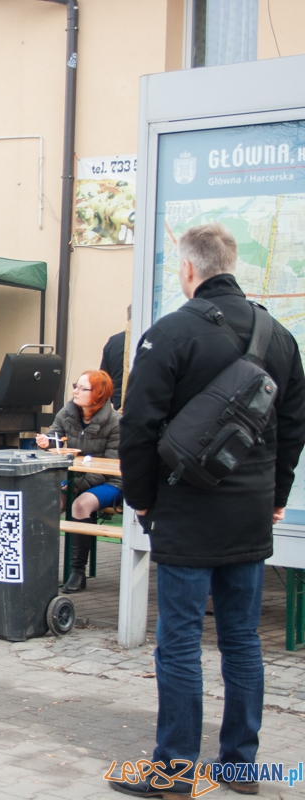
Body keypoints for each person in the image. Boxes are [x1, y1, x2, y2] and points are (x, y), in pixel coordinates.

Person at [114, 223, 305, 797]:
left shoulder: (169, 334)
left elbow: (137, 429)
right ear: (232, 263)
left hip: (185, 509)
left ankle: (174, 771)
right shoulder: (279, 337)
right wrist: (276, 495)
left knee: (178, 642)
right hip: (249, 512)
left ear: (189, 269)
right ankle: (240, 767)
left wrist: (142, 499)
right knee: (243, 639)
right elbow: (294, 426)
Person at [36, 370, 120, 593]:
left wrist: (74, 486)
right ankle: (40, 567)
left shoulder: (116, 422)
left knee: (81, 504)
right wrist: (46, 443)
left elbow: (110, 466)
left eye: (83, 388)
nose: (76, 391)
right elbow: (55, 439)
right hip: (72, 478)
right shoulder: (67, 413)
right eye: (76, 385)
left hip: (111, 481)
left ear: (99, 394)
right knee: (46, 503)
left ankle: (77, 571)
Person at [100, 305, 129, 409]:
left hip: (117, 399)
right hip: (138, 400)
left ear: (127, 318)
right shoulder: (148, 341)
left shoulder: (113, 341)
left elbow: (103, 376)